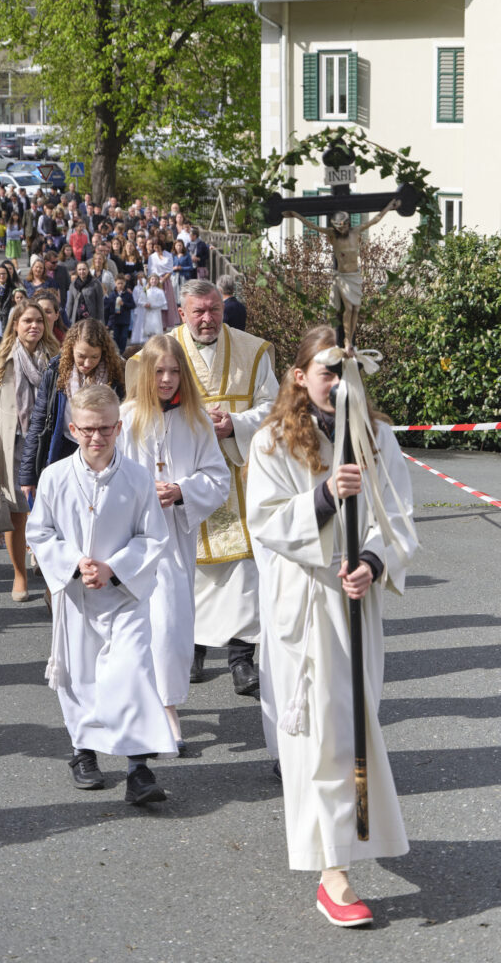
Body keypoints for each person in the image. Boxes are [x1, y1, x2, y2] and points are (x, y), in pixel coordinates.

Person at [246, 325, 417, 927]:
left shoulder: (377, 438)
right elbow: (263, 520)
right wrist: (322, 497)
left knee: (354, 730)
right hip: (305, 606)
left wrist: (372, 562)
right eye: (326, 373)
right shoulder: (270, 443)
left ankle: (347, 847)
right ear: (299, 376)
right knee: (318, 739)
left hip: (356, 604)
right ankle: (332, 874)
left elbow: (396, 514)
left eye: (347, 375)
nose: (338, 385)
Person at [126, 279, 278, 694]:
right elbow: (134, 406)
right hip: (178, 475)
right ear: (182, 313)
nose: (208, 318)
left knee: (242, 572)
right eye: (199, 311)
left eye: (214, 309)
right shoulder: (156, 354)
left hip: (237, 478)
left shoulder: (255, 350)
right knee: (181, 573)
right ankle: (189, 650)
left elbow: (273, 407)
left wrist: (236, 424)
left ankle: (241, 658)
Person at [26, 385, 176, 803]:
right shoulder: (54, 477)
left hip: (124, 596)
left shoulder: (137, 477)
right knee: (81, 677)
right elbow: (39, 531)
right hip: (76, 597)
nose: (98, 438)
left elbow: (153, 536)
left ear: (119, 427)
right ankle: (83, 751)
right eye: (89, 429)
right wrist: (74, 563)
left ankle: (138, 769)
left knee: (133, 674)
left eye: (107, 429)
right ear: (73, 429)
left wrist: (114, 568)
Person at [119, 336, 229, 750]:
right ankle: (143, 709)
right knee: (132, 628)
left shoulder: (196, 421)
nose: (166, 380)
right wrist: (143, 493)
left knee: (169, 627)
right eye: (159, 371)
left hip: (173, 543)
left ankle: (166, 706)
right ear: (146, 372)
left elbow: (217, 479)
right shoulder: (127, 418)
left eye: (174, 371)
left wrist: (181, 489)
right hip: (131, 541)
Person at [0, 299, 59, 601]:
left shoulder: (57, 358)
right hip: (12, 447)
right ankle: (20, 574)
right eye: (27, 321)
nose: (34, 326)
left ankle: (53, 583)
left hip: (49, 445)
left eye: (39, 320)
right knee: (18, 513)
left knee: (53, 513)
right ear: (15, 324)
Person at [19, 318, 124, 490]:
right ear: (71, 348)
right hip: (64, 449)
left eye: (94, 357)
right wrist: (27, 476)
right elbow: (39, 422)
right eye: (81, 356)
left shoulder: (117, 375)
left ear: (103, 353)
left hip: (102, 452)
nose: (87, 363)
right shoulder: (55, 372)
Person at [283, 200, 399, 351]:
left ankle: (349, 339)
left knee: (356, 309)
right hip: (343, 278)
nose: (342, 228)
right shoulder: (333, 236)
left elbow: (375, 220)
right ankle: (347, 342)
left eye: (344, 225)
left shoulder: (355, 232)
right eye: (339, 226)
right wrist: (296, 215)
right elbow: (313, 226)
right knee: (349, 308)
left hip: (355, 276)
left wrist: (389, 206)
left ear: (348, 223)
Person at [105, 275, 135, 354]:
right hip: (115, 320)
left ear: (124, 283)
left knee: (124, 337)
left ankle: (122, 352)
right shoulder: (112, 295)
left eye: (122, 283)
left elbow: (133, 305)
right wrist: (108, 322)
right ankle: (116, 353)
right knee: (115, 337)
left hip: (125, 320)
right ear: (115, 283)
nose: (120, 285)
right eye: (118, 283)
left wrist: (123, 304)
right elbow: (108, 308)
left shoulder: (128, 294)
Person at [141, 274, 167, 339]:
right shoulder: (146, 290)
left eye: (156, 279)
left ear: (158, 281)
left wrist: (153, 305)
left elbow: (163, 302)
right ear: (149, 281)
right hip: (147, 312)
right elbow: (141, 300)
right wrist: (145, 304)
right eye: (152, 279)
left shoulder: (160, 291)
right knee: (148, 329)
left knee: (156, 329)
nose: (154, 281)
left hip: (156, 312)